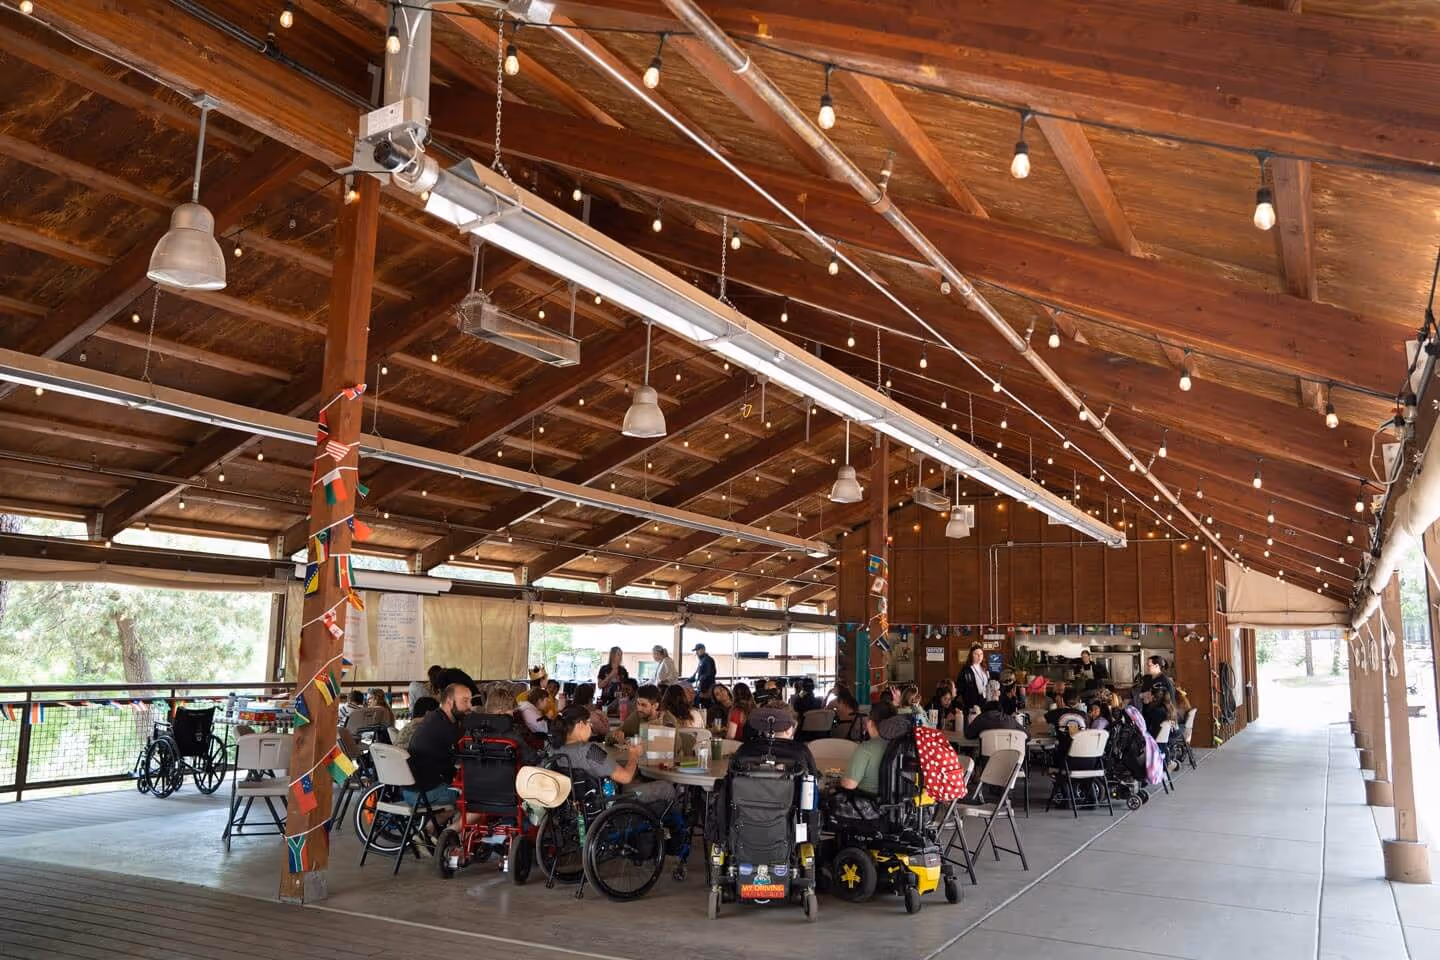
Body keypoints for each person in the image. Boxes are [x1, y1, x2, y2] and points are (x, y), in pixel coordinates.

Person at [553, 705, 672, 802]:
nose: (591, 726)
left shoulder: (556, 750)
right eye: (588, 722)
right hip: (609, 803)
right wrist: (634, 755)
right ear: (580, 725)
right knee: (666, 787)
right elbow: (626, 777)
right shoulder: (590, 751)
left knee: (638, 782)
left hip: (579, 803)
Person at [404, 683, 471, 808]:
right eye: (465, 701)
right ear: (449, 702)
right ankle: (448, 822)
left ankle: (436, 821)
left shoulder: (435, 718)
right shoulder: (445, 726)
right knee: (476, 795)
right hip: (424, 794)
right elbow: (463, 759)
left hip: (411, 790)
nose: (470, 706)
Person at [731, 705, 817, 774]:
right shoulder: (801, 751)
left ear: (763, 727)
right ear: (788, 729)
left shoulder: (744, 749)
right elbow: (814, 777)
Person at [839, 702, 904, 793]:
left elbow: (849, 785)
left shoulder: (866, 748)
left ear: (870, 723)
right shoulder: (902, 745)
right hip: (897, 800)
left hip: (867, 800)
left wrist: (839, 780)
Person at [957, 644, 990, 713]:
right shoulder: (966, 670)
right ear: (971, 655)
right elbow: (960, 687)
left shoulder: (984, 667)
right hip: (972, 703)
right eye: (976, 654)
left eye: (981, 654)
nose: (979, 656)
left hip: (985, 701)